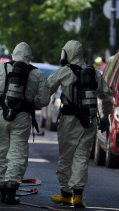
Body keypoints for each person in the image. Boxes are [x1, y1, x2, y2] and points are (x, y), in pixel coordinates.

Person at [0, 42, 50, 205]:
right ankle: (11, 191)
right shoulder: (37, 74)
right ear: (29, 56)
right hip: (22, 117)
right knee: (17, 153)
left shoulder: (0, 68)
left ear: (14, 54)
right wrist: (29, 102)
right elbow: (44, 100)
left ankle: (2, 187)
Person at [48, 40, 113, 208]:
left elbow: (45, 91)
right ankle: (78, 196)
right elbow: (107, 96)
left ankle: (65, 194)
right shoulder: (94, 73)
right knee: (81, 157)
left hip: (69, 121)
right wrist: (105, 117)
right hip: (89, 121)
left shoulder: (63, 72)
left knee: (66, 157)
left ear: (67, 53)